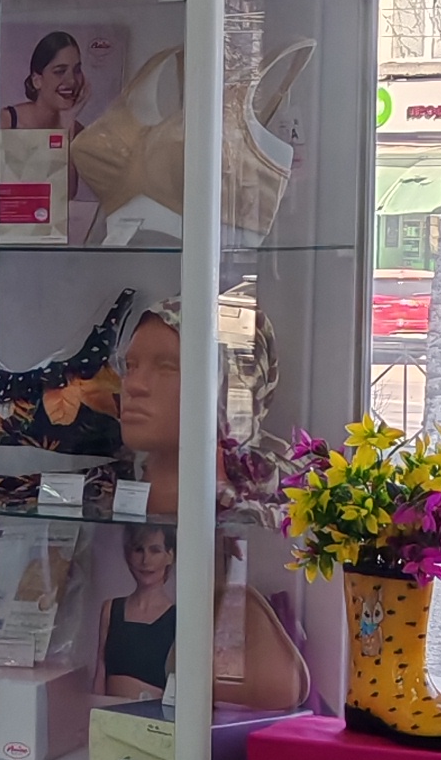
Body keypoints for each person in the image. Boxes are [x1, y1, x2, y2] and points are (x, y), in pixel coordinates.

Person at [111, 302, 307, 711]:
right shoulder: (107, 486)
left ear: (230, 384)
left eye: (167, 367)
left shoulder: (278, 493)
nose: (134, 386)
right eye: (130, 366)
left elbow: (277, 689)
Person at [98, 518, 176, 700]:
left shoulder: (177, 617)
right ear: (128, 554)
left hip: (154, 715)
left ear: (169, 556)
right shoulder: (111, 609)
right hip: (109, 713)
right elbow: (100, 672)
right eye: (138, 550)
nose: (146, 560)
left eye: (155, 550)